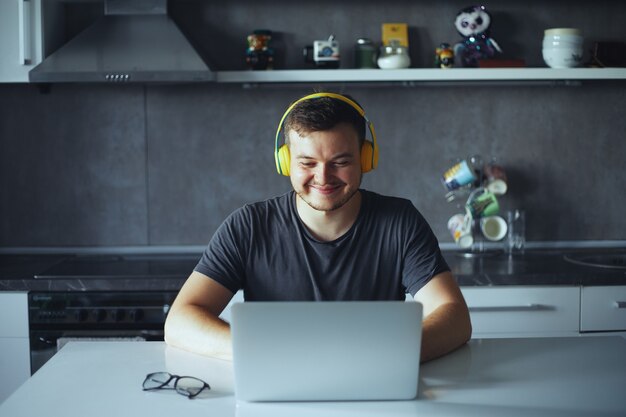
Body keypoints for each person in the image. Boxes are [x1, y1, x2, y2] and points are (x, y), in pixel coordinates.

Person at [164, 92, 471, 362]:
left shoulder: (399, 221)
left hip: (373, 390)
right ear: (285, 162)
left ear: (366, 158)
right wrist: (254, 351)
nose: (323, 177)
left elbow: (454, 316)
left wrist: (391, 354)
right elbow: (179, 320)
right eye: (307, 163)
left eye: (340, 162)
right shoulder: (248, 226)